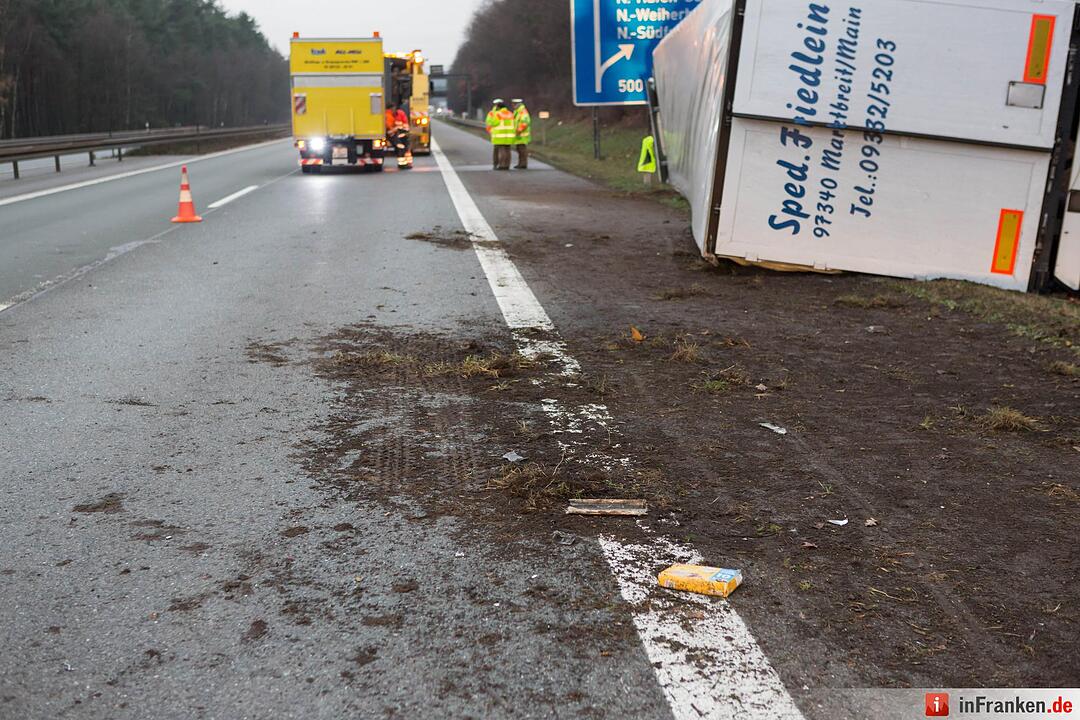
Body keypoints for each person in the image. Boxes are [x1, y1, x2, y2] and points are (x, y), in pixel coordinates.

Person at [490, 101, 516, 170]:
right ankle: (507, 165)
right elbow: (514, 123)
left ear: (498, 107)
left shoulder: (498, 114)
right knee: (508, 150)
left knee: (502, 150)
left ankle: (502, 165)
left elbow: (493, 123)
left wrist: (493, 113)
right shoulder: (510, 113)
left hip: (500, 135)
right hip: (510, 135)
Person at [389, 104, 413, 170]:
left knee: (406, 145)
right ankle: (402, 163)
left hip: (401, 132)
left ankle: (407, 163)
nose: (393, 110)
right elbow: (388, 129)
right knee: (400, 146)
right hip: (392, 134)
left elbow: (405, 124)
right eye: (391, 109)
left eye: (393, 108)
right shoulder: (387, 115)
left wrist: (399, 127)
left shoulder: (400, 113)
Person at [512, 98, 531, 169]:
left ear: (517, 104)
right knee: (519, 150)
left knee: (522, 150)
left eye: (513, 104)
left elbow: (524, 123)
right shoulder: (517, 111)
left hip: (522, 135)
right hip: (519, 135)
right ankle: (520, 163)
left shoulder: (522, 112)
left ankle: (523, 164)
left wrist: (518, 130)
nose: (512, 105)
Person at [485, 99, 504, 170]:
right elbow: (488, 122)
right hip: (496, 134)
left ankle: (502, 165)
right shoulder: (492, 113)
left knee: (502, 150)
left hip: (501, 134)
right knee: (497, 150)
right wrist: (490, 131)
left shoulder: (503, 112)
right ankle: (496, 164)